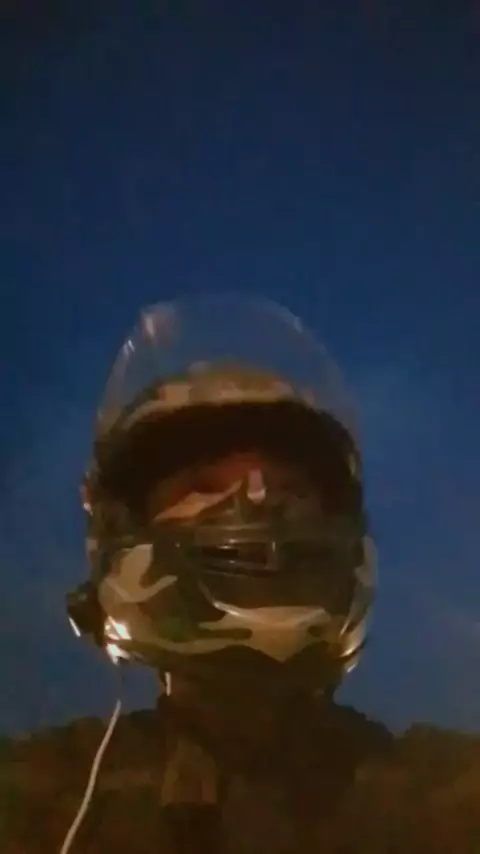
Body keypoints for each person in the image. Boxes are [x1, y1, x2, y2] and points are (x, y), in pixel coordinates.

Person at [66, 293, 382, 853]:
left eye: (290, 488)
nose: (257, 503)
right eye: (205, 486)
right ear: (124, 522)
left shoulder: (438, 791)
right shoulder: (57, 799)